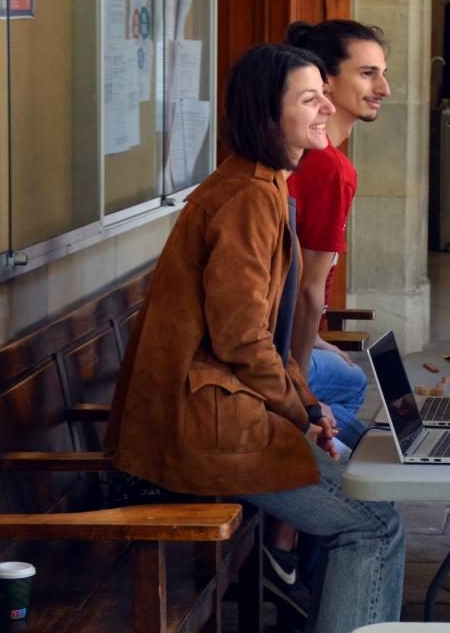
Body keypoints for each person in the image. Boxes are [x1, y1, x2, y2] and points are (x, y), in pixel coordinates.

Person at [104, 44, 404, 633]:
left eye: (324, 93)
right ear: (270, 116)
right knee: (373, 523)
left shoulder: (261, 185)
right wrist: (300, 412)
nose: (325, 109)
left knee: (368, 474)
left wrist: (310, 407)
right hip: (205, 427)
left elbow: (257, 337)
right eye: (309, 99)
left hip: (224, 413)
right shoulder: (248, 197)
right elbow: (244, 340)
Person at [285, 19, 390, 453]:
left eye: (383, 73)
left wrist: (317, 339)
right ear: (325, 83)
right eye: (367, 74)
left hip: (280, 337)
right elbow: (308, 290)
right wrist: (299, 382)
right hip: (275, 355)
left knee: (349, 377)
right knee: (351, 385)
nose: (383, 88)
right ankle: (336, 457)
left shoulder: (308, 154)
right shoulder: (329, 167)